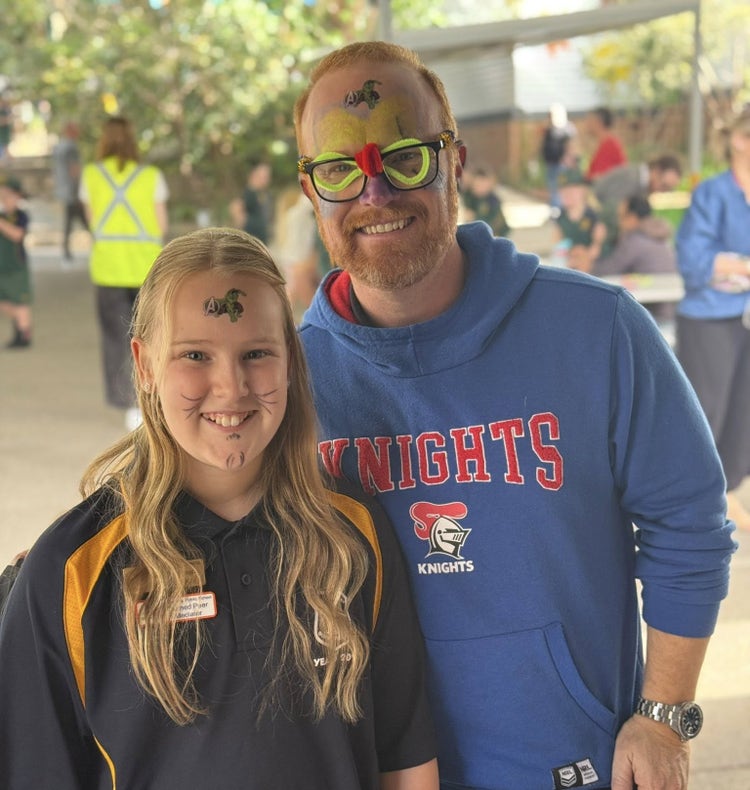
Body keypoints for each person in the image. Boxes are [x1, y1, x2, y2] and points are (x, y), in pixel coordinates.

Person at [293, 41, 736, 789]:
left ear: (455, 161)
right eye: (340, 172)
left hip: (570, 762)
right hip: (374, 769)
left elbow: (689, 526)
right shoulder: (286, 380)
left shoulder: (596, 330)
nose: (374, 195)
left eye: (404, 157)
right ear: (313, 193)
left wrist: (665, 716)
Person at [0, 227, 438, 789]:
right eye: (195, 356)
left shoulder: (353, 535)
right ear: (145, 365)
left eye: (256, 353)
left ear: (291, 361)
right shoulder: (70, 572)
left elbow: (404, 759)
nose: (230, 388)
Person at [675, 107, 750, 532]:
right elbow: (695, 262)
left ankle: (726, 495)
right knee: (706, 415)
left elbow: (719, 265)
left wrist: (732, 267)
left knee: (743, 418)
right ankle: (695, 507)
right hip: (709, 322)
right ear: (739, 141)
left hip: (742, 319)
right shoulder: (713, 194)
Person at [80, 116, 169, 431]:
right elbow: (161, 224)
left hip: (108, 268)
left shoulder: (90, 176)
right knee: (151, 336)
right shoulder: (151, 177)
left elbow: (92, 221)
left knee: (116, 339)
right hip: (146, 267)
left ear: (102, 141)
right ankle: (155, 398)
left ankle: (129, 406)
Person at [593, 195, 678, 323]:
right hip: (672, 308)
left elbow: (608, 270)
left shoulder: (635, 239)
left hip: (653, 313)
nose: (618, 222)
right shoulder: (660, 236)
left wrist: (595, 246)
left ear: (632, 218)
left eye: (621, 216)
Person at [593, 154, 683, 255]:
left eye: (668, 190)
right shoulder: (631, 179)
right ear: (656, 171)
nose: (662, 191)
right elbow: (611, 214)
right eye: (664, 186)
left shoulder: (641, 185)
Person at [550, 167, 606, 270]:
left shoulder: (595, 216)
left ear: (583, 190)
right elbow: (557, 246)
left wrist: (585, 255)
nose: (566, 194)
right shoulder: (560, 218)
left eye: (572, 190)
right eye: (563, 190)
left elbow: (598, 248)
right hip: (567, 266)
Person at [0, 176, 32, 348]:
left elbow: (17, 235)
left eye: (8, 196)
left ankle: (24, 332)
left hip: (17, 265)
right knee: (6, 301)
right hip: (2, 265)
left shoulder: (21, 216)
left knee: (20, 301)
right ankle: (21, 324)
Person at [51, 120, 90, 262]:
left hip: (64, 191)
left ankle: (66, 251)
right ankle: (99, 246)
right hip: (73, 191)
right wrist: (79, 191)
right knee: (86, 221)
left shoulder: (59, 147)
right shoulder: (71, 148)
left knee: (71, 221)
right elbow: (74, 170)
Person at [541, 103, 575, 212]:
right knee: (552, 188)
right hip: (551, 163)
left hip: (561, 164)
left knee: (559, 189)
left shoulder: (566, 128)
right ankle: (555, 210)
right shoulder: (550, 129)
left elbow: (571, 145)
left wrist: (568, 159)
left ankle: (557, 211)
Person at [460, 166, 510, 238]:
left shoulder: (493, 201)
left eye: (483, 186)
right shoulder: (470, 196)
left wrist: (475, 216)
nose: (480, 188)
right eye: (477, 185)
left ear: (490, 185)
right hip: (476, 229)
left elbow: (490, 221)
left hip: (496, 230)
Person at [584, 106, 627, 182]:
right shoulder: (604, 143)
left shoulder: (610, 144)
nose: (587, 124)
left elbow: (601, 176)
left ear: (598, 122)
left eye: (590, 120)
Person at [242, 161, 274, 245]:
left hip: (263, 238)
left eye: (267, 177)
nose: (266, 180)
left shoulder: (267, 194)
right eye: (263, 177)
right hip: (251, 238)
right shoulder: (249, 193)